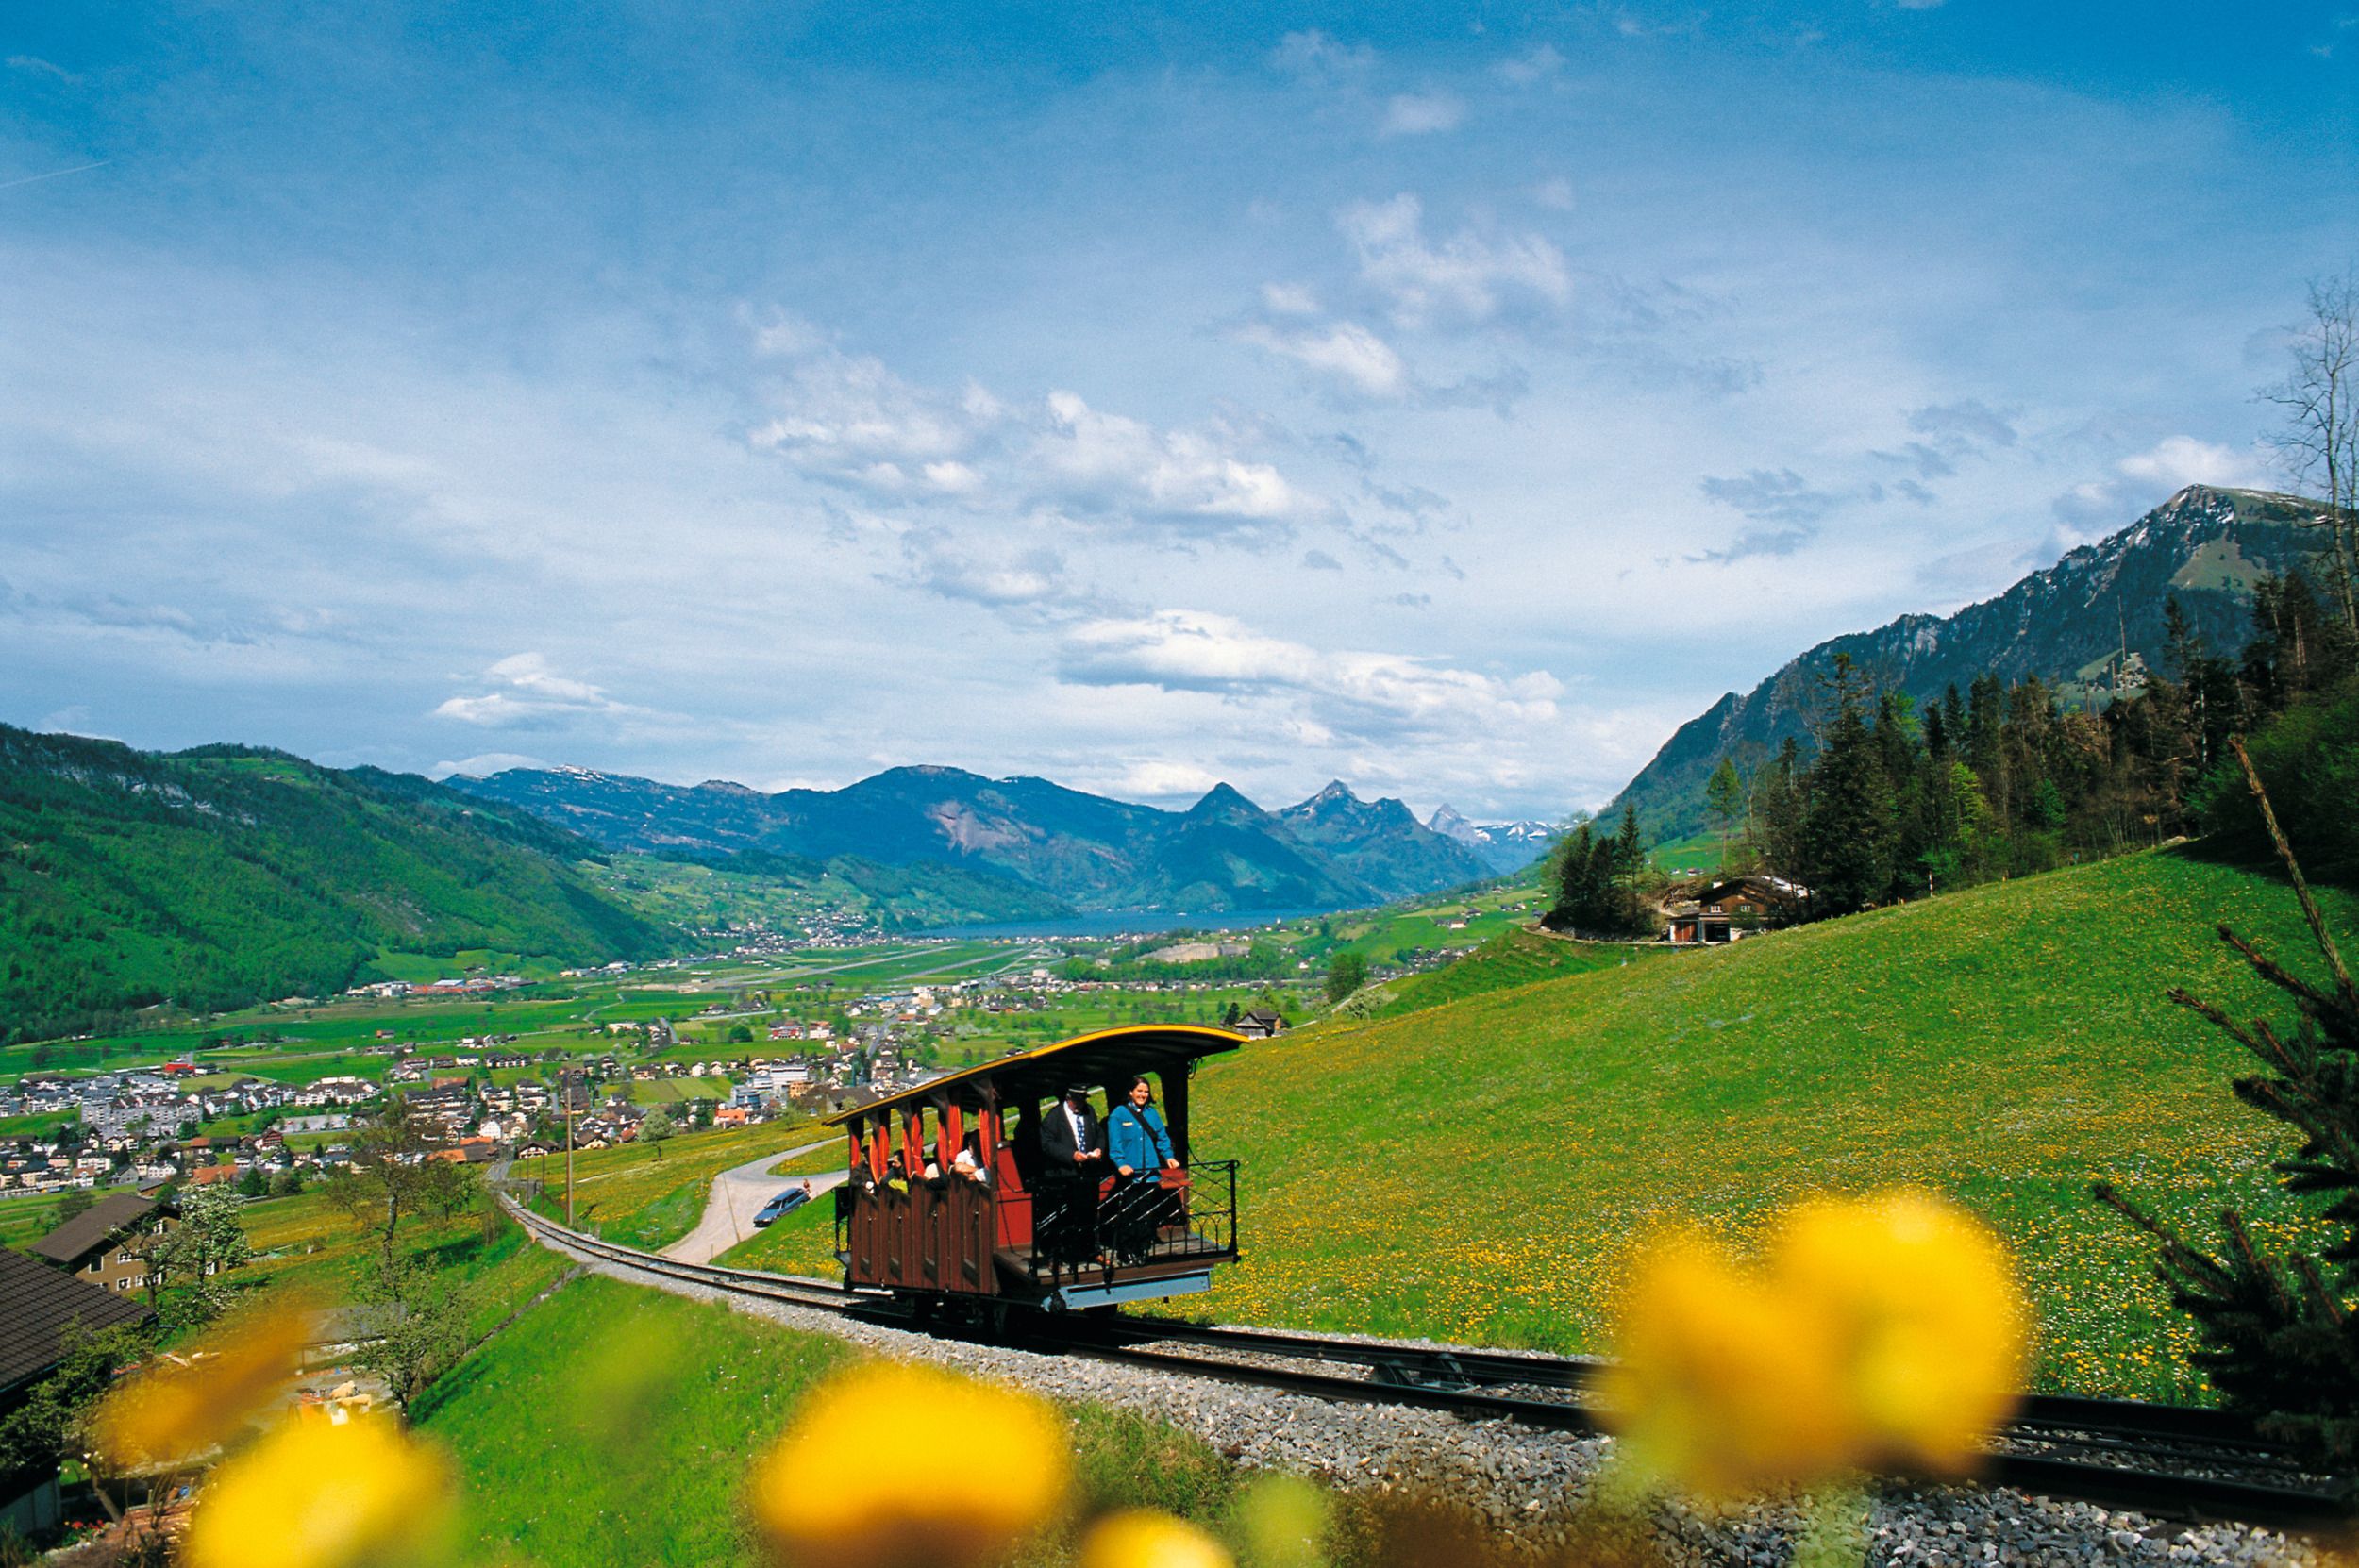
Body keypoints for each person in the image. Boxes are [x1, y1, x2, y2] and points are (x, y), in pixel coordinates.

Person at [1105, 1076, 1181, 1261]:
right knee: (1130, 1212)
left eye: (1146, 1091)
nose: (1143, 1095)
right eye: (1139, 1091)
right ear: (1130, 1092)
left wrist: (1169, 1157)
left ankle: (1142, 1247)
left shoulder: (1151, 1113)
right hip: (1131, 1174)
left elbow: (1162, 1137)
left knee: (1147, 1212)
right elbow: (1115, 1144)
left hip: (1150, 1174)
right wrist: (1121, 1163)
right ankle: (1126, 1249)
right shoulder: (1119, 1115)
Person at [1037, 1083, 1103, 1266]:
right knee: (1062, 1217)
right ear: (1069, 1098)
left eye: (1083, 1098)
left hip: (1087, 1173)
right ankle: (1056, 1255)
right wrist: (1071, 1155)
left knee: (1088, 1214)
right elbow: (1047, 1144)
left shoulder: (1089, 1112)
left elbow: (1099, 1134)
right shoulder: (1054, 1116)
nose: (1081, 1103)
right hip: (1064, 1174)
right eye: (1078, 1099)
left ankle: (1090, 1251)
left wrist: (1098, 1149)